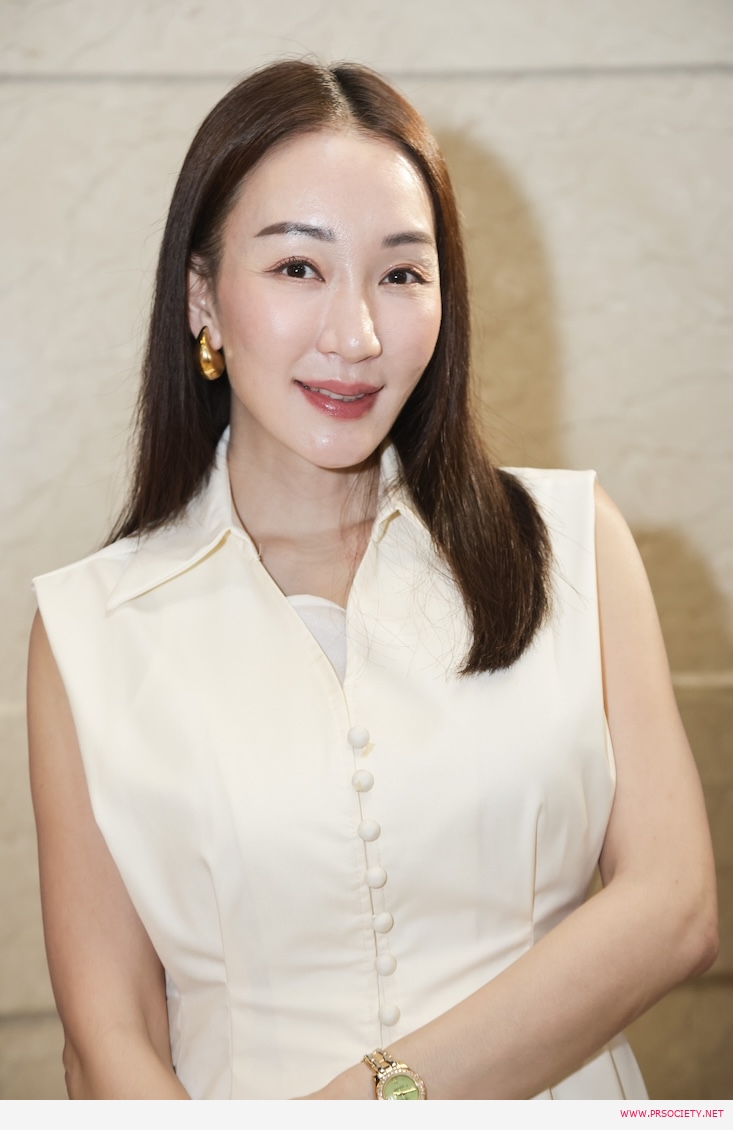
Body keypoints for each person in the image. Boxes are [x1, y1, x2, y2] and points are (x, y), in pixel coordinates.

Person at [27, 59, 717, 1101]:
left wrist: (372, 1102)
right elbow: (106, 1036)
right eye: (297, 267)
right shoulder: (91, 629)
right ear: (202, 294)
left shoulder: (571, 541)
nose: (353, 337)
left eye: (400, 275)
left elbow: (674, 906)